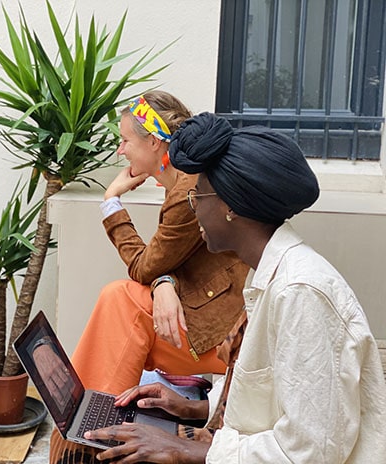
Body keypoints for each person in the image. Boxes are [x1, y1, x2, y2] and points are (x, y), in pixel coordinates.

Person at [83, 112, 386, 463]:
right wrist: (191, 406)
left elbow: (310, 450)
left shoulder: (300, 293)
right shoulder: (267, 276)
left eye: (198, 197)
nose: (194, 211)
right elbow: (268, 398)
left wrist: (184, 449)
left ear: (230, 207)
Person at [50, 92, 249, 463]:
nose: (120, 152)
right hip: (210, 315)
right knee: (124, 301)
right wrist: (164, 284)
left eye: (125, 140)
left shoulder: (185, 192)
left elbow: (145, 266)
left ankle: (84, 437)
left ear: (154, 142)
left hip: (219, 338)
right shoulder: (183, 182)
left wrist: (111, 200)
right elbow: (165, 263)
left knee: (121, 300)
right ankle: (91, 428)